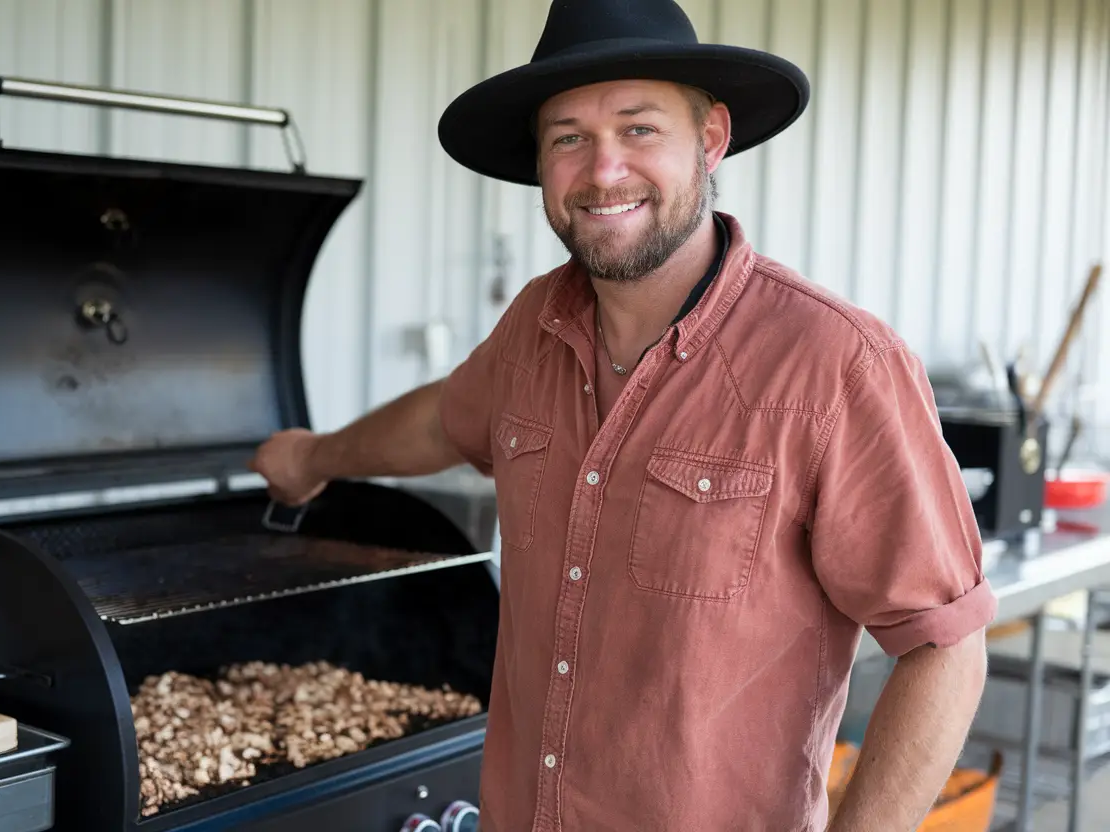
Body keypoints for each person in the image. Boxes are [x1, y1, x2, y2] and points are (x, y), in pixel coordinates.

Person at [249, 0, 996, 829]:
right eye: (568, 138)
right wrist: (317, 456)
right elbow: (444, 421)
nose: (603, 171)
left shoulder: (835, 363)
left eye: (639, 129)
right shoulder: (535, 324)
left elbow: (942, 647)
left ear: (710, 138)